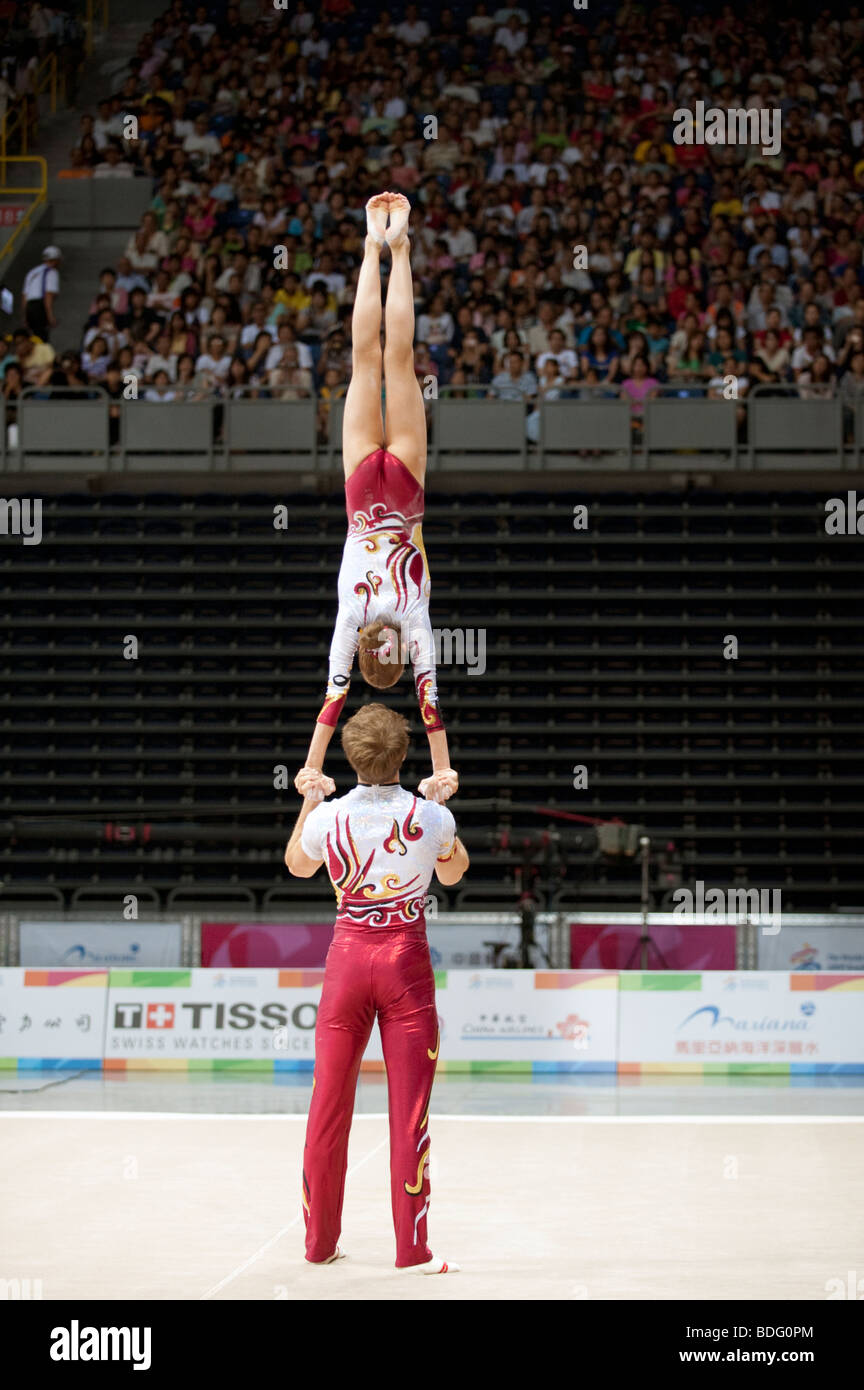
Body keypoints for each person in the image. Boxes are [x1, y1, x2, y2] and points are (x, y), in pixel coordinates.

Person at [284, 702, 469, 1272]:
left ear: (351, 757)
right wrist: (441, 811)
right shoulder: (428, 816)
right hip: (405, 965)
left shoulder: (329, 817)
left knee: (327, 1105)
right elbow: (453, 872)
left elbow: (297, 865)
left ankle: (318, 1245)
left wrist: (310, 801)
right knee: (408, 1109)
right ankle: (412, 1250)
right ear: (403, 756)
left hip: (347, 962)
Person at [295, 193, 458, 808]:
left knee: (398, 358)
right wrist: (311, 771)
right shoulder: (350, 622)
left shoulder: (414, 625)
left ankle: (400, 244)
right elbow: (331, 703)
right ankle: (371, 243)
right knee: (367, 362)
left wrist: (442, 774)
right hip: (364, 490)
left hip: (407, 490)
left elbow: (430, 704)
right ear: (368, 653)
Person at [21, 246, 61, 342]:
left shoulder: (32, 272)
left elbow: (24, 296)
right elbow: (48, 295)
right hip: (40, 307)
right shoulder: (51, 272)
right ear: (55, 260)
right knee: (41, 338)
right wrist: (50, 316)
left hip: (29, 308)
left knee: (32, 337)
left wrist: (24, 316)